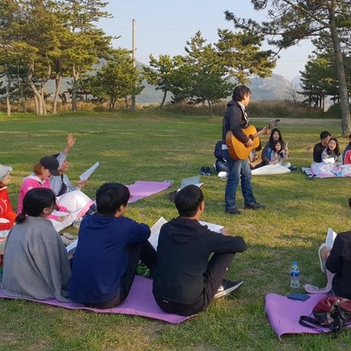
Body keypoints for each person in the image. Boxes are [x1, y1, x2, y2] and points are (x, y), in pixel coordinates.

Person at [153, 185, 247, 315]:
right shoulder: (205, 236)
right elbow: (240, 244)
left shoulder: (165, 229)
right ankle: (215, 287)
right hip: (191, 304)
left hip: (160, 300)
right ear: (201, 206)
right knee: (229, 248)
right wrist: (224, 237)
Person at [68, 182, 156, 308]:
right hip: (107, 299)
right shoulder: (125, 226)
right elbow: (145, 231)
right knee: (138, 239)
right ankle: (157, 269)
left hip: (77, 295)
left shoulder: (86, 222)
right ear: (121, 208)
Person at [1, 188, 71, 301]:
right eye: (54, 204)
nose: (55, 207)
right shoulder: (45, 232)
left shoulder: (17, 226)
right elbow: (55, 265)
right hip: (31, 288)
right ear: (45, 210)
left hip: (10, 284)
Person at [221, 85, 269, 214]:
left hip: (239, 149)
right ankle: (230, 206)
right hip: (233, 149)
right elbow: (235, 128)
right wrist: (246, 140)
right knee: (234, 177)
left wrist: (261, 131)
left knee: (247, 175)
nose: (249, 99)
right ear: (244, 96)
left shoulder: (238, 109)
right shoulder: (234, 109)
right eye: (249, 96)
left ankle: (250, 202)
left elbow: (245, 129)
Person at [0, 164, 17, 231]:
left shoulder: (3, 190)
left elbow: (8, 211)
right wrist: (11, 225)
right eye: (6, 175)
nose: (9, 177)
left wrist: (18, 219)